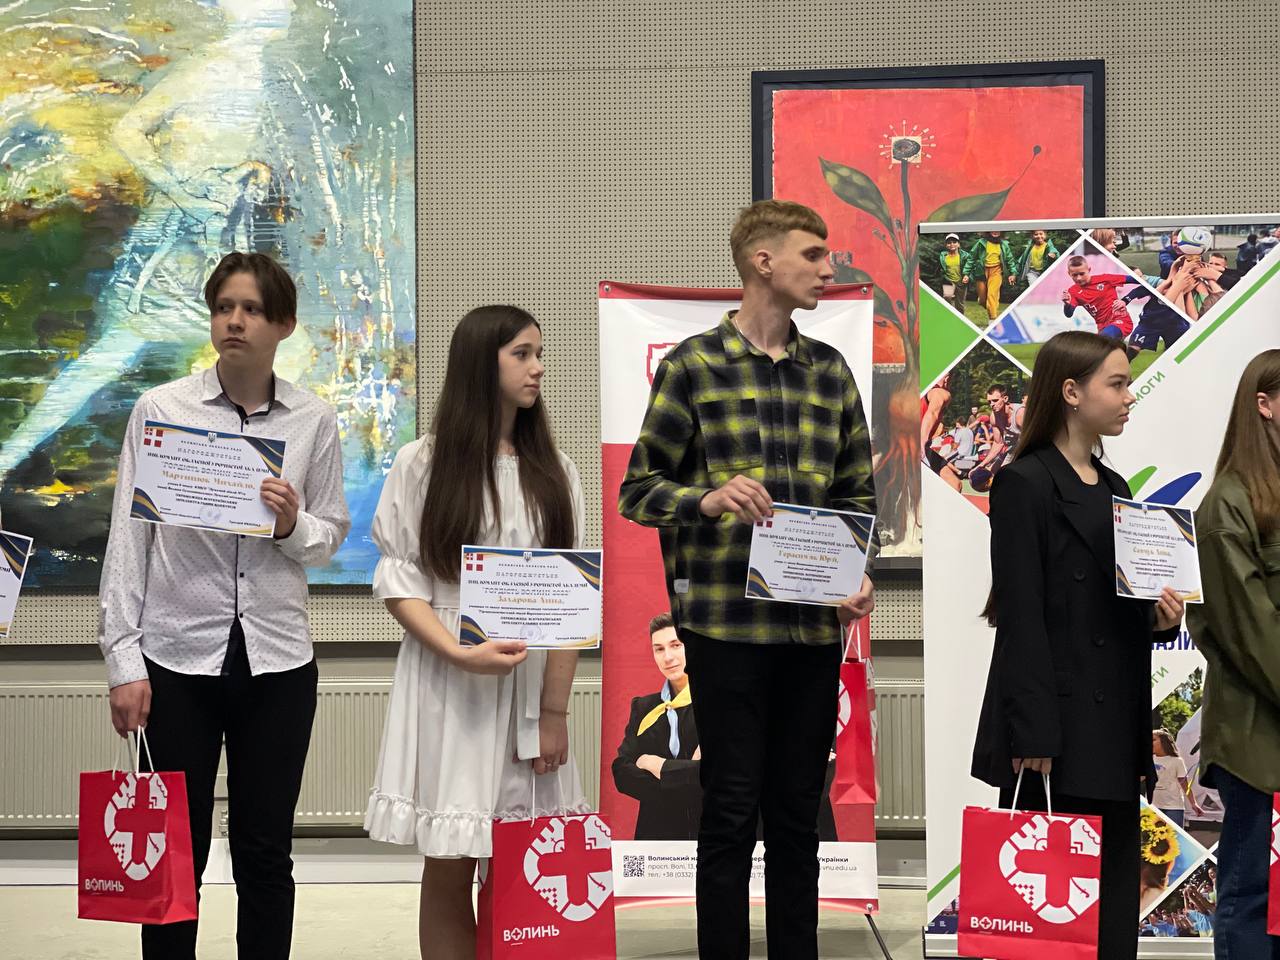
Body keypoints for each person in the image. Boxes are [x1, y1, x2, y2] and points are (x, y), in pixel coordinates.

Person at [619, 199, 877, 960]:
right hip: (724, 629)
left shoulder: (829, 371)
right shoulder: (692, 366)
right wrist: (707, 497)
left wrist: (856, 574)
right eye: (813, 254)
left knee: (799, 813)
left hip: (811, 630)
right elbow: (638, 492)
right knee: (730, 810)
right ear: (763, 262)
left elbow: (859, 497)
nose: (828, 269)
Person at [99, 251, 352, 959]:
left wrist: (291, 525)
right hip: (175, 657)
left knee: (265, 852)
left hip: (278, 662)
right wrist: (123, 662)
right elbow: (129, 541)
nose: (234, 321)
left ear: (284, 325)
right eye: (223, 308)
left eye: (251, 310)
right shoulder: (162, 410)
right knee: (170, 854)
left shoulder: (313, 420)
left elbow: (329, 536)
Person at [363, 305, 589, 960]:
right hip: (450, 685)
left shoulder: (557, 471)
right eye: (522, 353)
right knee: (450, 859)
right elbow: (400, 579)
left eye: (539, 353)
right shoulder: (422, 463)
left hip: (528, 687)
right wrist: (458, 652)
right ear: (480, 363)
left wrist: (554, 713)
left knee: (529, 858)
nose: (538, 367)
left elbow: (572, 603)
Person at [970, 330, 1185, 960]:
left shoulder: (1116, 487)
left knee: (1113, 907)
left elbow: (1118, 607)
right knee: (1050, 921)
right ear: (1071, 392)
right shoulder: (1023, 484)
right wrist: (1033, 733)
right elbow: (1022, 618)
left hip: (1113, 727)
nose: (1129, 396)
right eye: (1117, 384)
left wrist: (1159, 618)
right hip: (1055, 735)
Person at [1185, 349, 1280, 958]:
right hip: (1256, 741)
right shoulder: (1230, 502)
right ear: (1264, 405)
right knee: (1252, 897)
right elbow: (1251, 630)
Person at [612, 612, 703, 840]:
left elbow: (716, 775)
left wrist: (656, 765)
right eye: (659, 649)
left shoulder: (720, 704)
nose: (668, 657)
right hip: (657, 834)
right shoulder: (644, 707)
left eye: (676, 645)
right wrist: (686, 779)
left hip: (712, 830)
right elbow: (622, 772)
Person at [1061, 254, 1144, 340]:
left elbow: (1137, 280)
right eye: (1074, 275)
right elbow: (1069, 314)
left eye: (1082, 274)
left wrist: (1126, 299)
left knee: (1102, 340)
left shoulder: (1105, 279)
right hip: (1102, 327)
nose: (1079, 278)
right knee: (1102, 345)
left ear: (1089, 270)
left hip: (1121, 320)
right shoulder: (1073, 291)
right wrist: (1066, 304)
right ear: (1069, 274)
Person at [1152, 729, 1204, 827]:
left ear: (1164, 742)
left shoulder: (1177, 761)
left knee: (1174, 834)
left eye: (1153, 740)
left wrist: (1193, 803)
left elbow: (1184, 783)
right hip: (1152, 806)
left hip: (1174, 807)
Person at [963, 230, 1017, 320]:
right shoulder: (981, 243)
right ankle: (988, 306)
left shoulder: (1004, 244)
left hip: (996, 271)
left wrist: (1013, 273)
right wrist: (966, 273)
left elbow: (1010, 260)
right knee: (983, 301)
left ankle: (993, 319)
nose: (995, 231)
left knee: (992, 295)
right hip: (981, 272)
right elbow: (971, 258)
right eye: (993, 229)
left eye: (998, 230)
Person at [922, 373, 962, 491]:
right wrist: (921, 441)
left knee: (955, 484)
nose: (947, 380)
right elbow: (932, 413)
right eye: (945, 376)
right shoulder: (940, 393)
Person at [938, 232, 969, 312]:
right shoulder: (943, 256)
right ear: (946, 245)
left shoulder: (965, 256)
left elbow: (970, 267)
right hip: (948, 281)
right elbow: (940, 269)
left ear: (958, 244)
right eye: (949, 243)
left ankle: (959, 318)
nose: (952, 244)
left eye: (954, 242)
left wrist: (967, 276)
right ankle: (948, 316)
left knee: (960, 305)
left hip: (961, 282)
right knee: (947, 298)